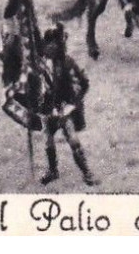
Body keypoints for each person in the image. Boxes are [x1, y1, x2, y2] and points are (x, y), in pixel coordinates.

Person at [37, 26, 97, 186]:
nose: (47, 47)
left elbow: (83, 84)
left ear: (58, 45)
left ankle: (87, 172)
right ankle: (52, 170)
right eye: (46, 44)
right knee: (48, 138)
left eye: (51, 44)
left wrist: (72, 104)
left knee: (73, 140)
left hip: (66, 108)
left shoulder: (68, 63)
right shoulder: (44, 64)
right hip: (51, 107)